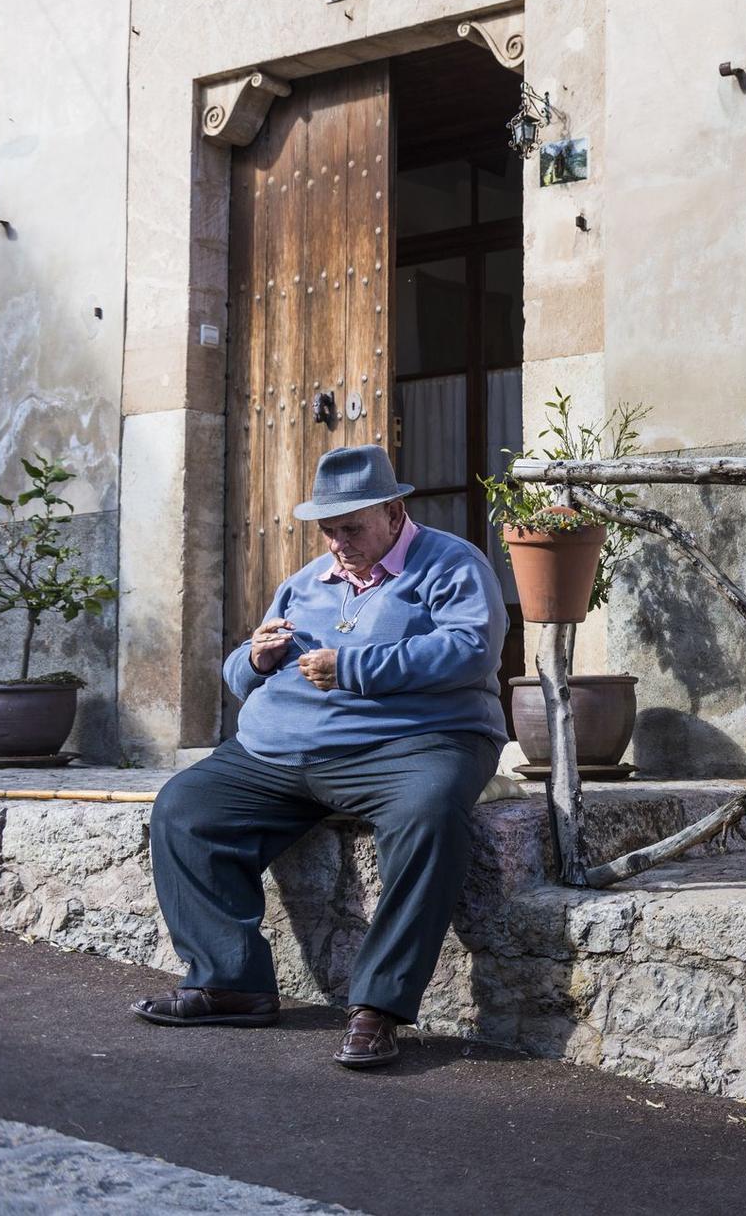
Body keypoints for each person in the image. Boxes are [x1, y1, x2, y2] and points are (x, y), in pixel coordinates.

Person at [132, 445, 506, 1068]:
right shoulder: (307, 581)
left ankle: (379, 1006)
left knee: (430, 814)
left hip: (411, 743)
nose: (337, 543)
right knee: (185, 807)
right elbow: (240, 671)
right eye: (328, 530)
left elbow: (470, 650)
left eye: (350, 528)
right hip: (277, 752)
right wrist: (254, 659)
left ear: (393, 513)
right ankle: (231, 983)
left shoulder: (451, 564)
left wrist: (352, 667)